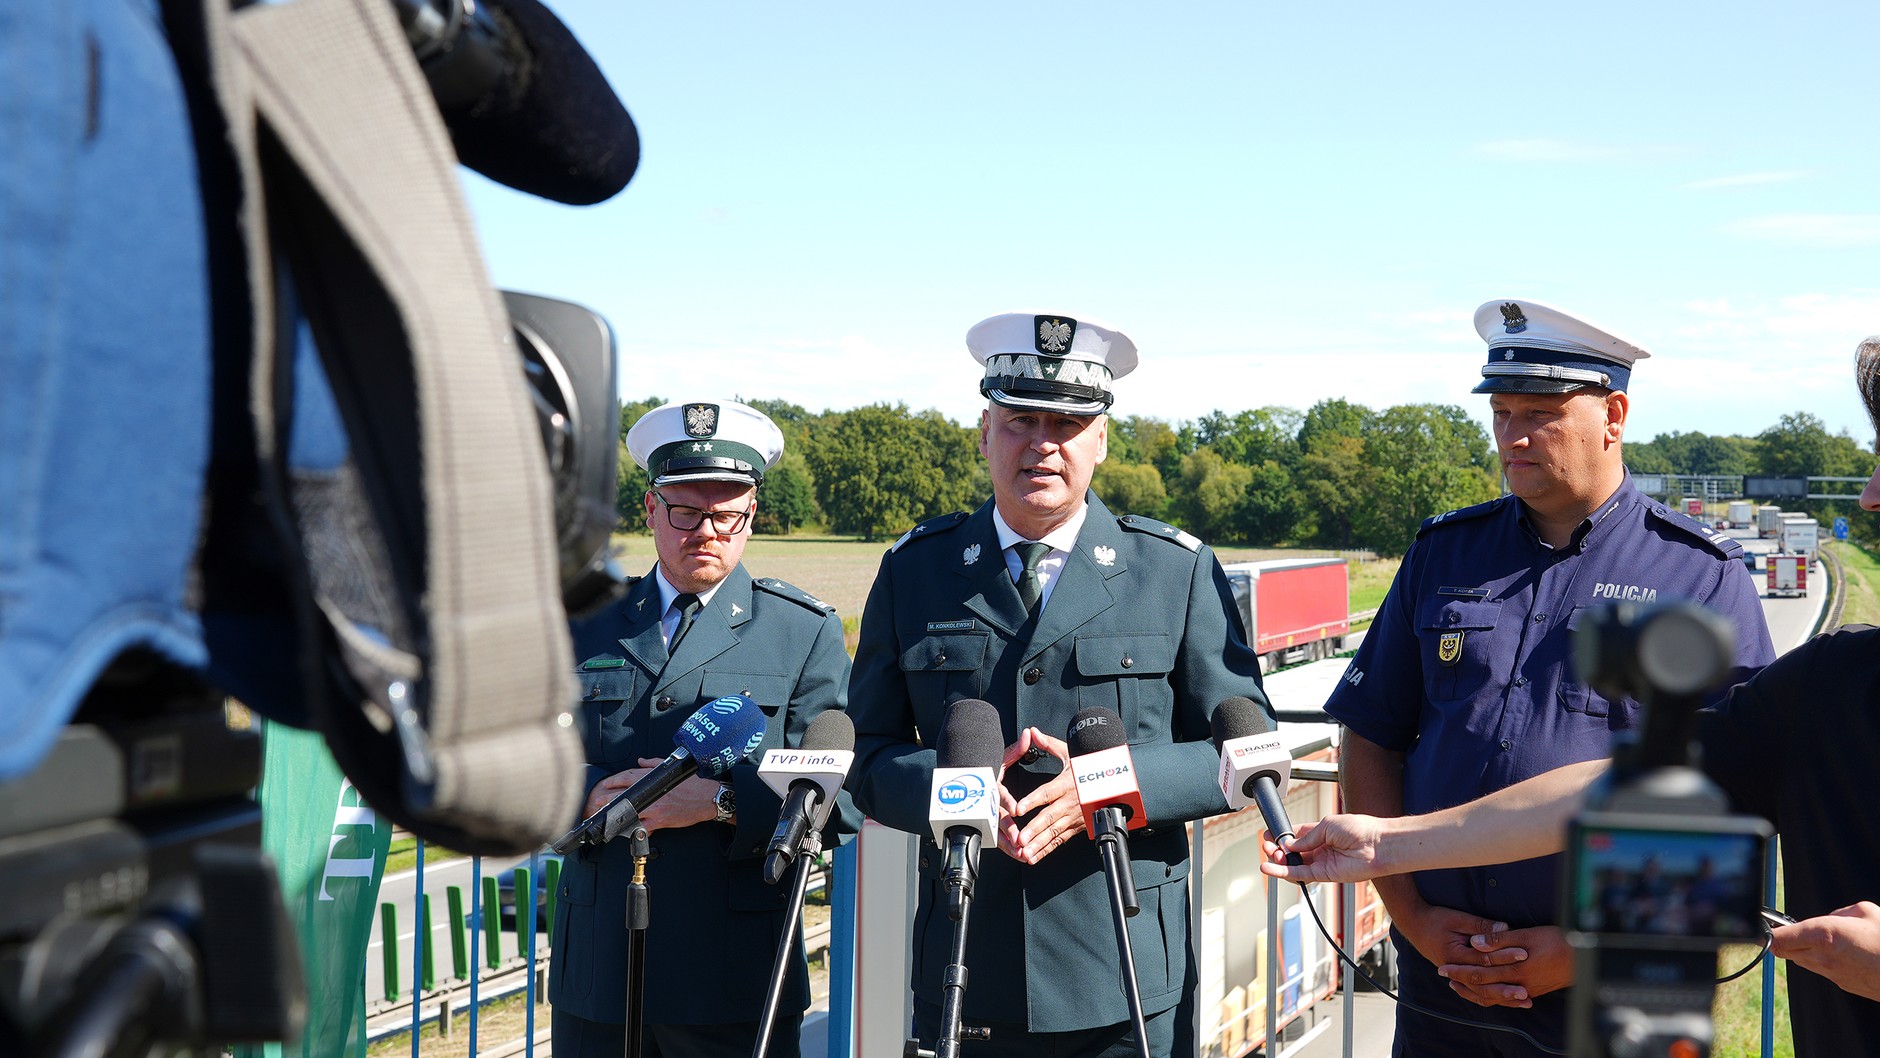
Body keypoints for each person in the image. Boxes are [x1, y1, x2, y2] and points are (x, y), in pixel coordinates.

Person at [1269, 336, 1880, 1058]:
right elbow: (1374, 733)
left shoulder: (1700, 575)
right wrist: (1411, 913)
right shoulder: (1444, 552)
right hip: (1443, 984)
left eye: (1540, 413)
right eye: (1501, 413)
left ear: (1613, 416)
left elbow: (1724, 807)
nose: (1513, 436)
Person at [844, 312, 1269, 1058]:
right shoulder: (916, 571)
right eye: (1020, 421)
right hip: (967, 963)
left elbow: (1244, 746)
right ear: (984, 432)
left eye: (1068, 424)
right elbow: (867, 752)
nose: (1042, 443)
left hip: (1127, 971)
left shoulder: (1173, 571)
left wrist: (1106, 788)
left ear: (1101, 440)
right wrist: (954, 793)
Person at [549, 400, 860, 1058]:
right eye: (686, 512)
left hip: (734, 979)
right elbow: (523, 757)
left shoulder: (801, 632)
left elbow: (842, 799)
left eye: (727, 515)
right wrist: (585, 791)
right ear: (650, 509)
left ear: (753, 514)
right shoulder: (581, 623)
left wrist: (721, 802)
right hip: (601, 971)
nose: (707, 532)